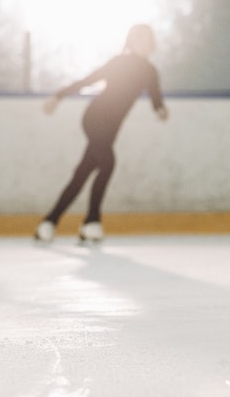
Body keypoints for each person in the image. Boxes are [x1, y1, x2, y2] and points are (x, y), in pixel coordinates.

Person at [34, 24, 168, 243]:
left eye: (147, 38)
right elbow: (88, 81)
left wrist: (161, 110)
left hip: (111, 129)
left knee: (82, 174)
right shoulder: (118, 63)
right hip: (94, 119)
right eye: (138, 37)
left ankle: (49, 222)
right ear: (130, 41)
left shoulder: (150, 71)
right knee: (108, 162)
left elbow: (156, 99)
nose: (144, 42)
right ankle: (92, 220)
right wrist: (58, 96)